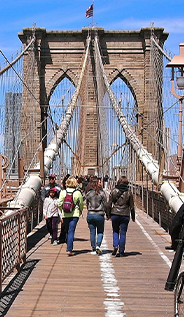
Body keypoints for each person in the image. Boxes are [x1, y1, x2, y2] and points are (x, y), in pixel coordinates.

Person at [107, 176, 135, 257]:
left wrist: (108, 215)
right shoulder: (129, 192)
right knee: (123, 233)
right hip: (125, 214)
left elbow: (109, 205)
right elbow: (132, 206)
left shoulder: (113, 191)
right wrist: (133, 217)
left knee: (115, 231)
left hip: (115, 213)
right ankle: (121, 251)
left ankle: (115, 245)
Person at [58, 176, 83, 256]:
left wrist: (62, 210)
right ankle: (69, 249)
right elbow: (81, 204)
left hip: (65, 215)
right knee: (71, 231)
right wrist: (79, 212)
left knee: (67, 230)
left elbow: (59, 203)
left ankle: (68, 247)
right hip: (74, 215)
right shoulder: (78, 193)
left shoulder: (63, 192)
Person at [85, 178, 108, 255]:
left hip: (90, 215)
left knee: (92, 232)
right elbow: (105, 205)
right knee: (100, 232)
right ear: (97, 183)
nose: (101, 183)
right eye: (100, 182)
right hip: (100, 215)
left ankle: (93, 249)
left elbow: (85, 202)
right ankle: (98, 246)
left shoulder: (89, 193)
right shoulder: (102, 193)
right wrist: (108, 214)